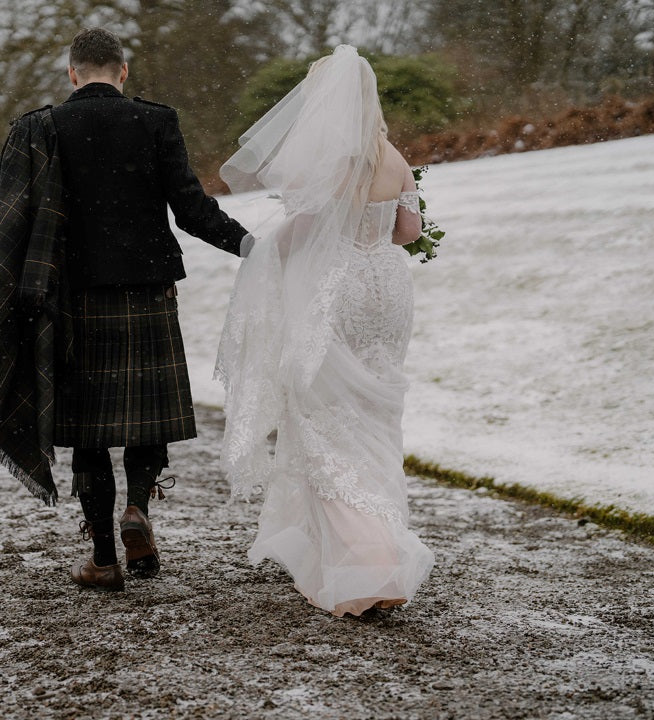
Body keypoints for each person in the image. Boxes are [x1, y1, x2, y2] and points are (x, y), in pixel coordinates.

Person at [0, 28, 250, 592]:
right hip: (147, 290)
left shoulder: (40, 129)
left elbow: (12, 228)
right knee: (144, 418)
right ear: (124, 71)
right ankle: (138, 509)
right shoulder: (155, 121)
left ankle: (104, 557)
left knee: (88, 431)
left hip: (74, 298)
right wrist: (248, 244)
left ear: (71, 74)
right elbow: (191, 208)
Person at [216, 45, 435, 617]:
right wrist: (376, 228)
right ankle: (372, 544)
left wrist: (265, 252)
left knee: (323, 417)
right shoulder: (394, 158)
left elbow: (309, 232)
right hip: (388, 292)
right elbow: (409, 232)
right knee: (374, 414)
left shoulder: (333, 162)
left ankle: (366, 564)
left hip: (340, 290)